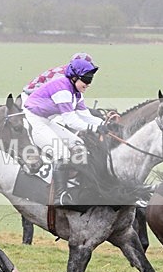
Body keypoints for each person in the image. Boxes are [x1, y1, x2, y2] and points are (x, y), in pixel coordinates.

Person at [23, 53, 104, 202]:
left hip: (46, 119)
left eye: (90, 80)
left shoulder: (76, 92)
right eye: (85, 80)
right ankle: (59, 196)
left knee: (78, 145)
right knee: (62, 153)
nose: (88, 84)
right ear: (74, 77)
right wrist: (94, 128)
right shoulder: (62, 89)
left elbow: (84, 115)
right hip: (33, 120)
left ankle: (77, 186)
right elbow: (71, 121)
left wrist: (103, 124)